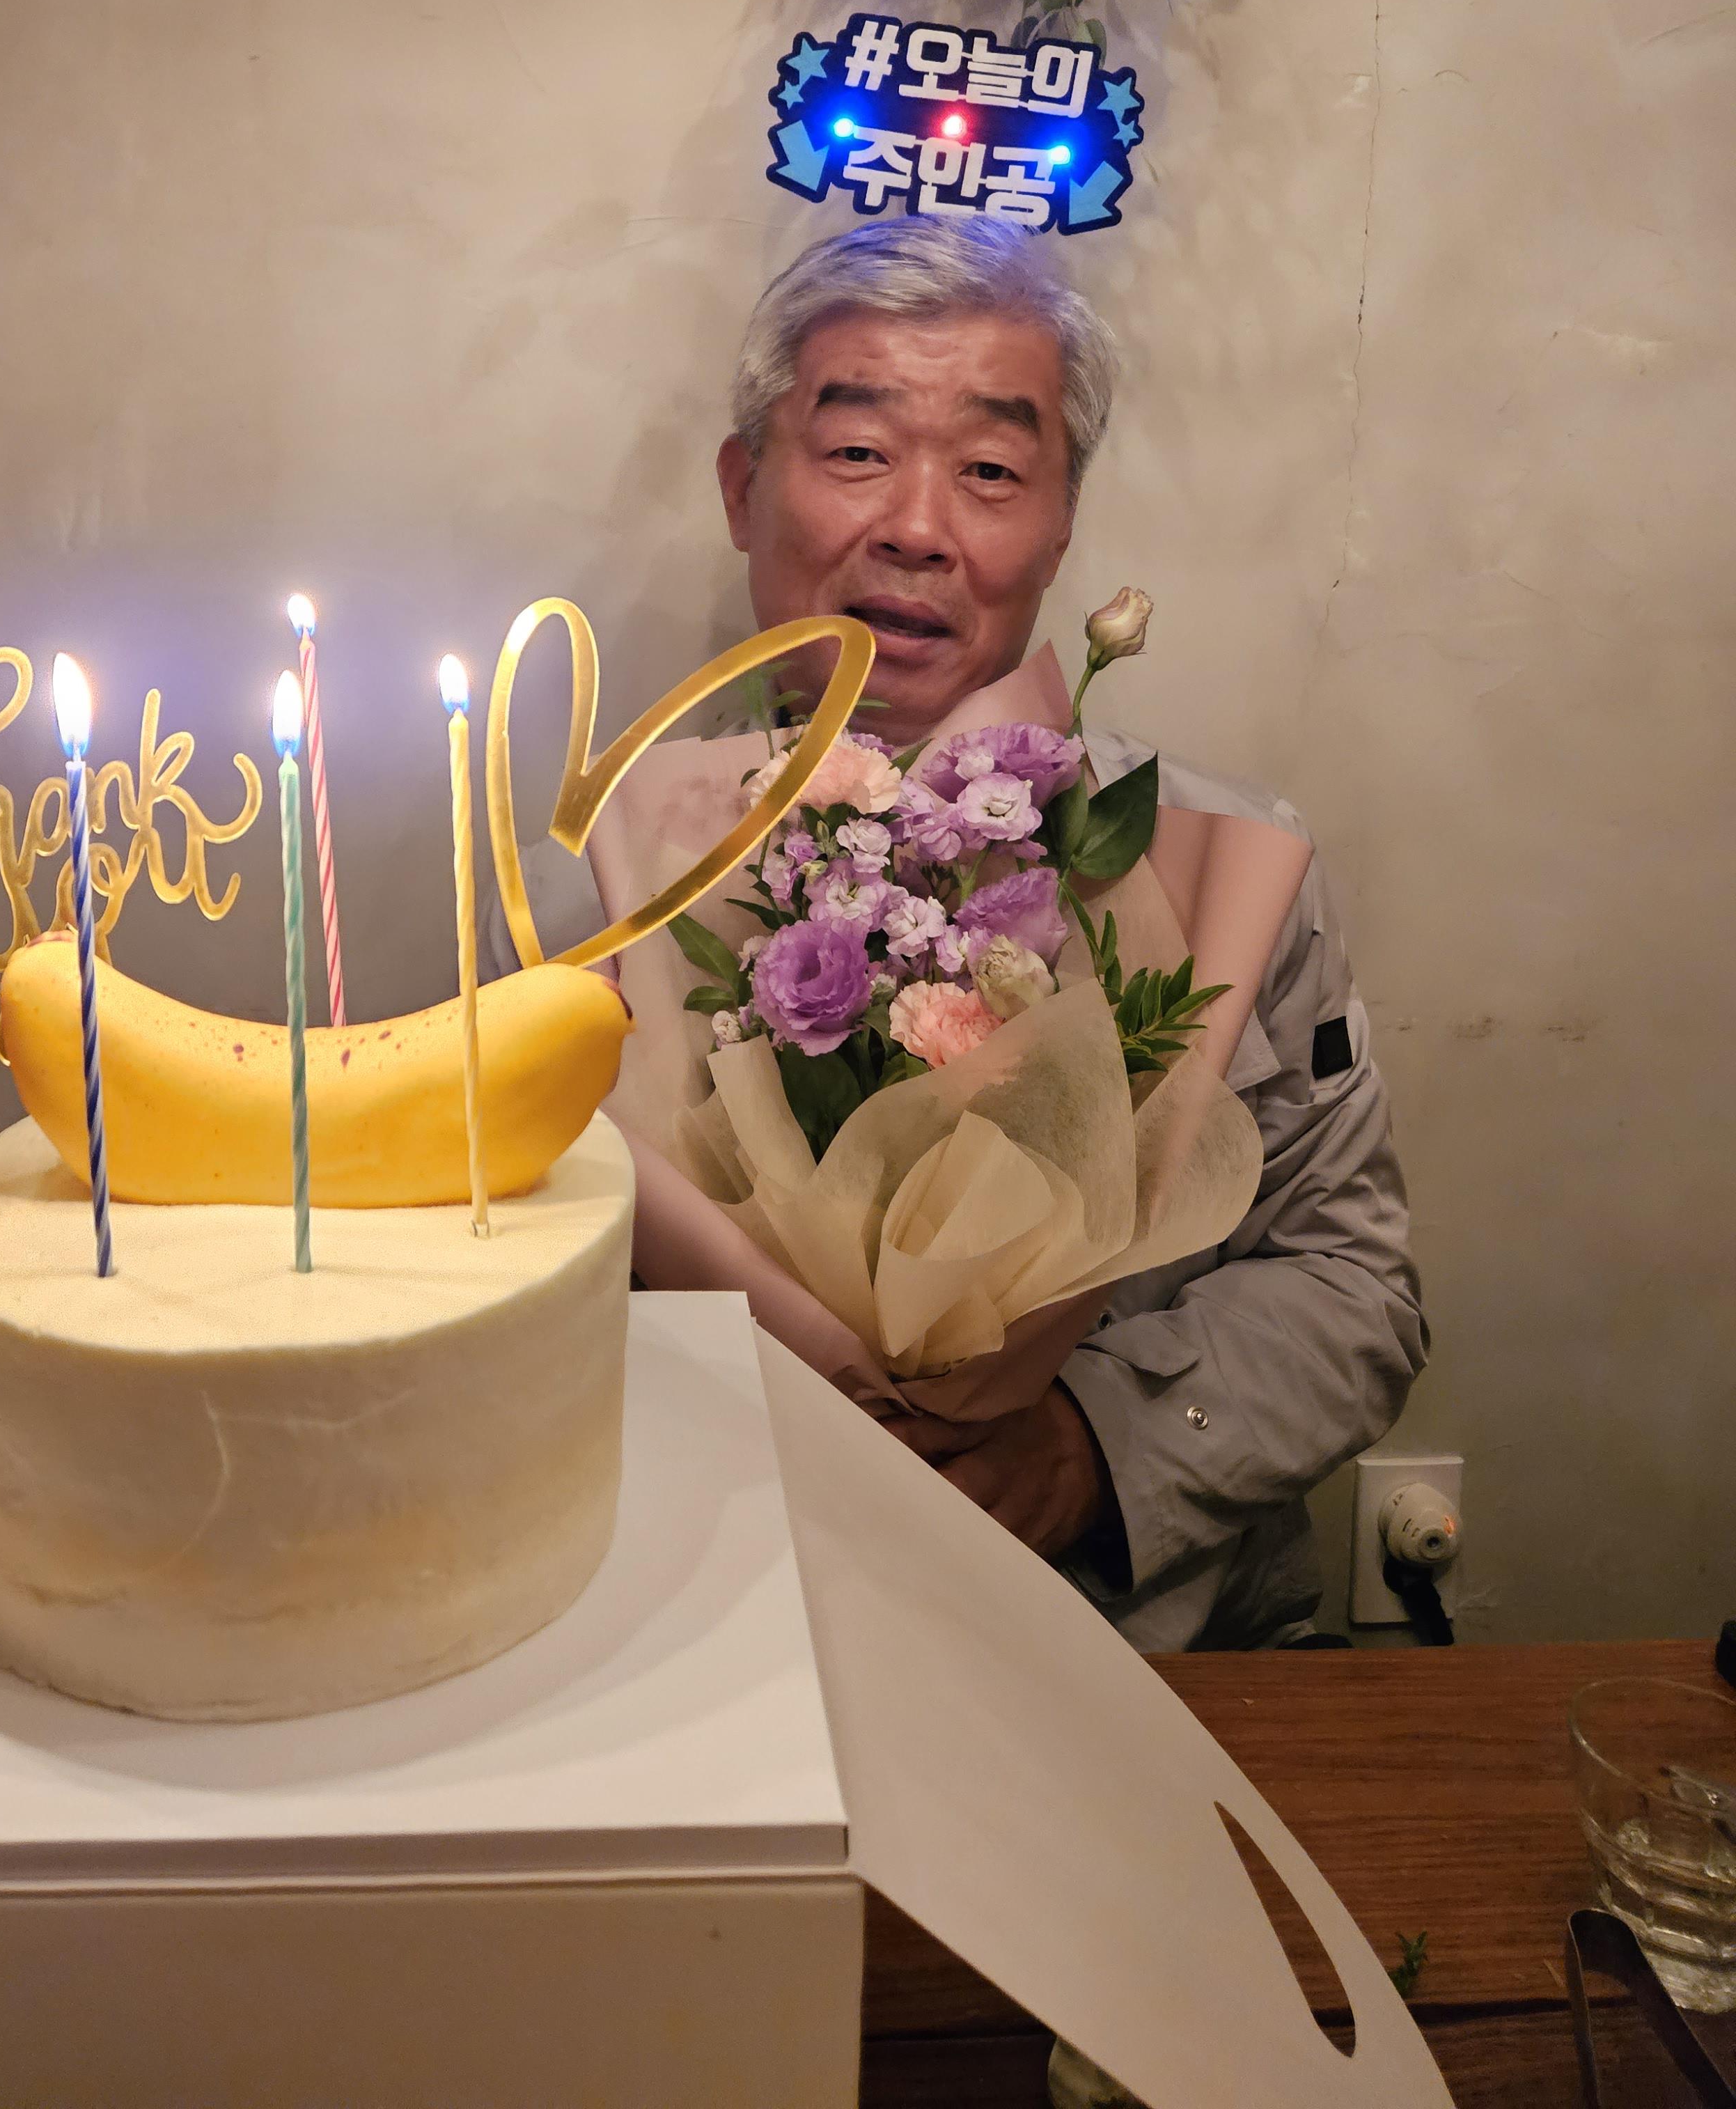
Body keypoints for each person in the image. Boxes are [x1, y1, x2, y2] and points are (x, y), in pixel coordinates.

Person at [513, 212, 1427, 1651]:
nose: (919, 527)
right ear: (745, 488)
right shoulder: (584, 895)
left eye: (992, 469)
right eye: (857, 450)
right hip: (715, 1637)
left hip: (1141, 1646)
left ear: (1062, 521)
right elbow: (500, 1281)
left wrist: (1094, 1446)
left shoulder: (1221, 872)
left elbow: (1352, 1283)